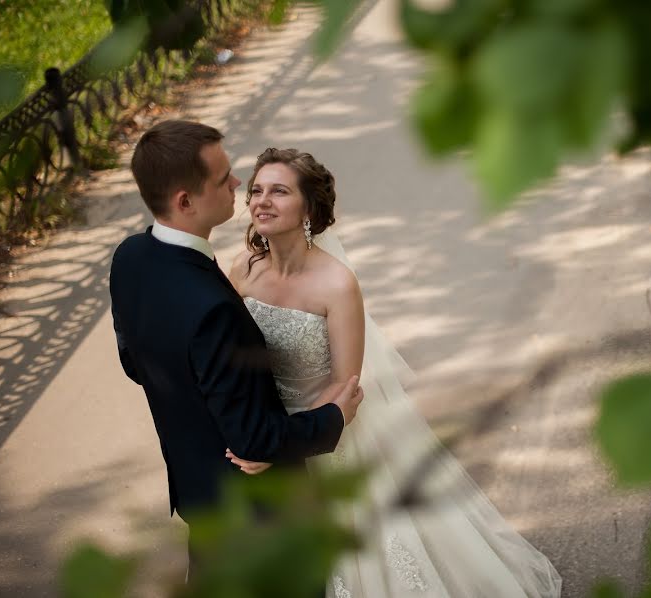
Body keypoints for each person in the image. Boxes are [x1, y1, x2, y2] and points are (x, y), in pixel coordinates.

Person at [227, 147, 562, 597]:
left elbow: (346, 388)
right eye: (256, 191)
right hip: (265, 429)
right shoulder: (244, 270)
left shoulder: (337, 284)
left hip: (326, 437)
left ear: (308, 207)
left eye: (279, 191)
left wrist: (280, 444)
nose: (261, 201)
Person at [108, 121, 364, 582]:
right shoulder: (217, 298)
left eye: (278, 190)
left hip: (199, 488)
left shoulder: (130, 257)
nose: (240, 187)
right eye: (225, 178)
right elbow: (253, 440)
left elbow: (136, 360)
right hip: (255, 508)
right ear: (186, 200)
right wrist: (324, 422)